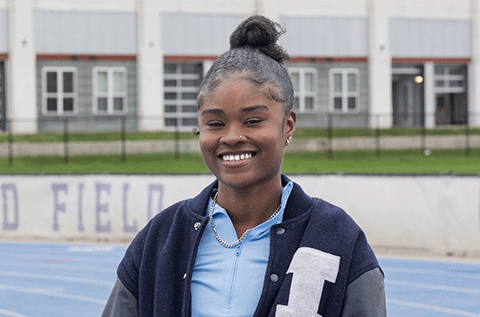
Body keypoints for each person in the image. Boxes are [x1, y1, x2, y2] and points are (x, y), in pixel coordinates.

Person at [102, 15, 386, 317]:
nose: (233, 136)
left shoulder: (338, 238)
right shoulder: (160, 239)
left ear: (287, 124)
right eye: (215, 123)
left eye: (252, 121)